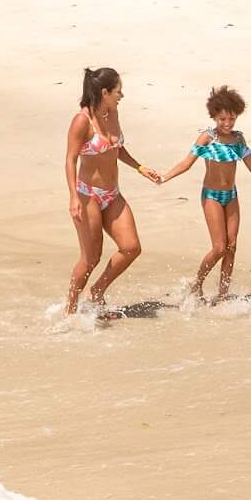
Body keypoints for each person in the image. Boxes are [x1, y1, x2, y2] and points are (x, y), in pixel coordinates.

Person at [146, 85, 251, 303]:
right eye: (222, 119)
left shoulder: (238, 139)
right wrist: (165, 177)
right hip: (212, 196)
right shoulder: (207, 138)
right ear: (214, 116)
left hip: (232, 195)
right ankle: (196, 284)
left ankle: (223, 294)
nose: (227, 124)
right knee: (219, 247)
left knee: (232, 246)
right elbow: (186, 163)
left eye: (232, 119)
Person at [62, 66, 148, 314]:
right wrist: (73, 197)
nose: (122, 96)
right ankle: (69, 311)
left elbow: (117, 149)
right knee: (91, 259)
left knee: (132, 248)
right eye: (118, 91)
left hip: (112, 194)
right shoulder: (82, 121)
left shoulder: (113, 112)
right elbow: (70, 160)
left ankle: (97, 292)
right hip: (88, 195)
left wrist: (140, 167)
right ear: (104, 92)